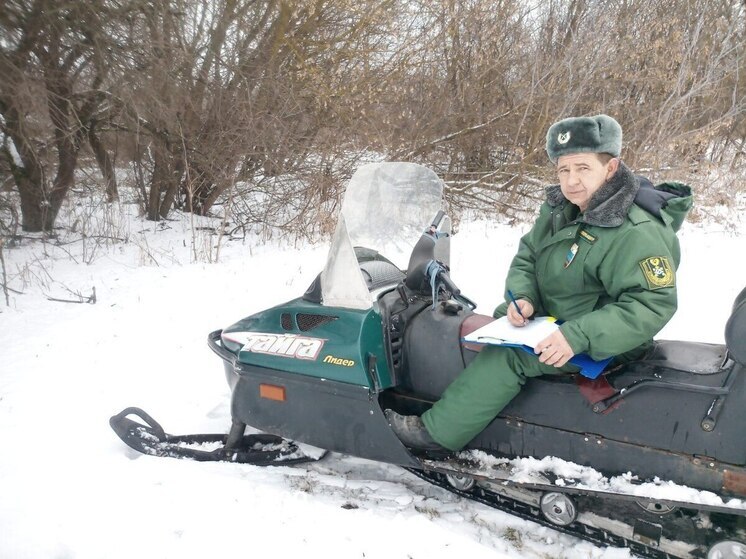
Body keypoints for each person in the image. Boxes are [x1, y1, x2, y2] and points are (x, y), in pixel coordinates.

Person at [386, 114, 693, 451]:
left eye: (582, 168)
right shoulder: (562, 210)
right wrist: (523, 297)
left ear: (611, 168)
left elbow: (651, 304)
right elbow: (529, 255)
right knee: (483, 331)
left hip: (608, 340)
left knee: (508, 357)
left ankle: (436, 436)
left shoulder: (635, 231)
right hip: (551, 320)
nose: (572, 180)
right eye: (564, 170)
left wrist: (576, 336)